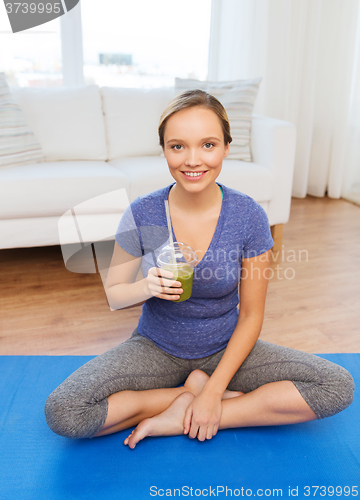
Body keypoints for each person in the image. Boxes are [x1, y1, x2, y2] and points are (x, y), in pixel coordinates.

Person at [45, 90, 354, 449]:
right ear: (163, 150)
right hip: (155, 347)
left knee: (337, 386)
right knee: (65, 412)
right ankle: (183, 396)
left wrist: (212, 394)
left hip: (227, 348)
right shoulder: (143, 213)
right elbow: (115, 293)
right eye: (178, 147)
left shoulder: (248, 215)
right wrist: (147, 286)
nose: (193, 160)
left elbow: (252, 315)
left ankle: (193, 412)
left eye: (208, 145)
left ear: (226, 147)